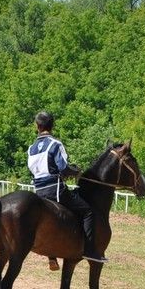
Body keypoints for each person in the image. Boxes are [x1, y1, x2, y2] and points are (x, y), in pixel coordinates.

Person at [27, 111, 104, 263]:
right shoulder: (55, 144)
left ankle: (52, 256)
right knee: (88, 211)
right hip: (55, 190)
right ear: (52, 125)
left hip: (39, 192)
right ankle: (89, 250)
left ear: (37, 126)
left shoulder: (31, 149)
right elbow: (63, 168)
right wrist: (76, 172)